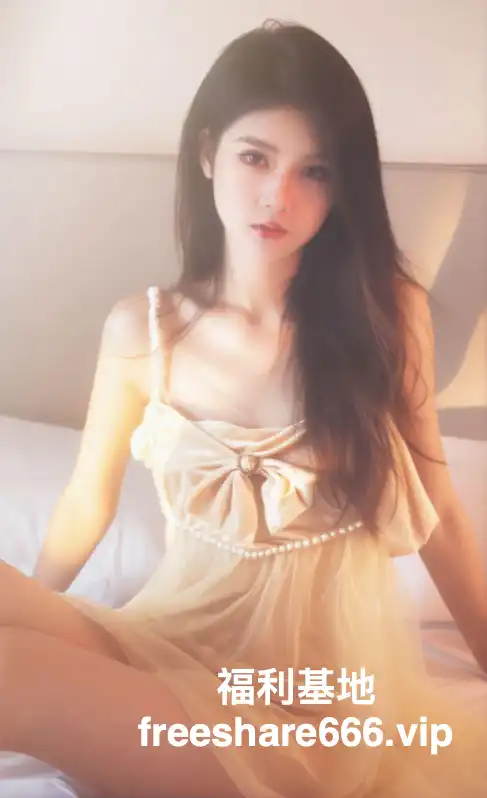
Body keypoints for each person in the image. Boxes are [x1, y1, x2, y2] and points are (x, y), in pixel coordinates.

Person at [2, 18, 487, 798]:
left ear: (342, 187)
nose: (277, 197)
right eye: (255, 157)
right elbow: (86, 502)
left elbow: (441, 515)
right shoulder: (144, 330)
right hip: (171, 648)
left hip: (304, 715)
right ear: (207, 154)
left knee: (12, 674)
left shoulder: (385, 317)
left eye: (313, 171)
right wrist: (32, 605)